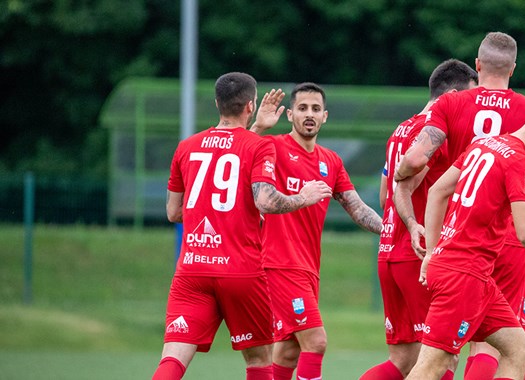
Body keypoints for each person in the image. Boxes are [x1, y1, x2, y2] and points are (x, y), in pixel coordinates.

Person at [393, 31, 525, 378]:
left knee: (504, 346)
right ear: (513, 69)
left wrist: (400, 174)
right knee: (489, 348)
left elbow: (416, 159)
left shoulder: (451, 103)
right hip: (504, 242)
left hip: (456, 236)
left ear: (478, 65)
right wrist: (520, 224)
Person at [153, 72, 333, 380]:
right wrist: (302, 197)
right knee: (259, 359)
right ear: (250, 105)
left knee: (173, 357)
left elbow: (173, 212)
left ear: (216, 104)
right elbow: (264, 200)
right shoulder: (259, 146)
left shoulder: (186, 147)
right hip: (241, 270)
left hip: (192, 270)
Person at [406, 100, 525, 380]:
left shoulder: (484, 144)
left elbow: (438, 191)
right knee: (431, 366)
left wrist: (433, 252)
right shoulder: (520, 162)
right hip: (462, 276)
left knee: (518, 348)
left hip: (475, 275)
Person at [359, 59, 478, 380]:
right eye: (469, 97)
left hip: (389, 254)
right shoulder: (436, 133)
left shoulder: (401, 129)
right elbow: (408, 183)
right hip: (418, 256)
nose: (471, 107)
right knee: (442, 359)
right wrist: (415, 225)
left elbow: (387, 197)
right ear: (452, 95)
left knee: (403, 360)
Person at [257, 82, 383, 380]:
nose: (309, 114)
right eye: (302, 108)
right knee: (316, 341)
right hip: (279, 263)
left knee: (288, 351)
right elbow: (238, 154)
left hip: (308, 267)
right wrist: (258, 127)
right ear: (290, 114)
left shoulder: (331, 161)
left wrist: (392, 230)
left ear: (325, 116)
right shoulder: (273, 147)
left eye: (315, 109)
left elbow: (358, 208)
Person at [464, 90, 525, 380]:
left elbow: (442, 188)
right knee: (492, 343)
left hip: (493, 238)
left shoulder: (492, 142)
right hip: (509, 241)